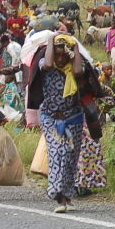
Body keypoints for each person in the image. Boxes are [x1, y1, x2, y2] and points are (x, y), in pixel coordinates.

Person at [34, 34, 83, 213]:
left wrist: (75, 47)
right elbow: (47, 64)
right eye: (57, 55)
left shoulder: (74, 67)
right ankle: (57, 194)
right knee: (56, 152)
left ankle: (67, 194)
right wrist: (50, 42)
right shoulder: (45, 65)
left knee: (71, 156)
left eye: (63, 55)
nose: (60, 59)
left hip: (74, 118)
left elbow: (78, 72)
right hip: (51, 118)